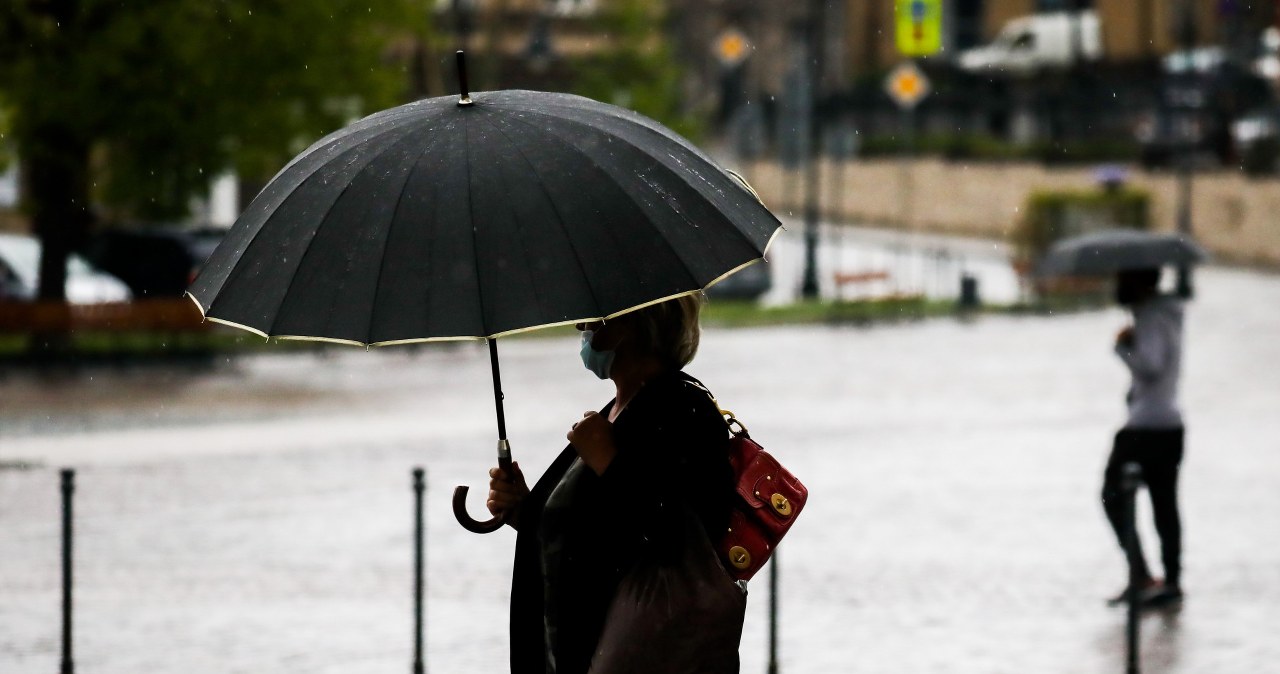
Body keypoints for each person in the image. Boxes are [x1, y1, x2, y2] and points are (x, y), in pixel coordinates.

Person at [485, 295, 737, 673]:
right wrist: (528, 510)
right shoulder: (616, 411)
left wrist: (609, 460)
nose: (580, 328)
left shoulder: (683, 409)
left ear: (630, 324)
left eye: (592, 318)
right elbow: (599, 534)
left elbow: (673, 536)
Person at [1101, 267, 1186, 608]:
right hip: (1167, 424)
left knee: (1113, 494)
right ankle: (1170, 580)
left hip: (1147, 427)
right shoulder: (1167, 315)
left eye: (1123, 279)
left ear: (1139, 281)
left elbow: (1151, 365)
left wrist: (1122, 348)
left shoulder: (1153, 317)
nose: (1116, 284)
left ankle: (1144, 575)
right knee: (1164, 506)